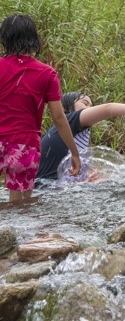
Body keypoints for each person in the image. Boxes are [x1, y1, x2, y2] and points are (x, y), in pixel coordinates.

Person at [0, 14, 80, 201]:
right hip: (25, 145)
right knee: (21, 206)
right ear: (33, 39)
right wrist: (74, 152)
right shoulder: (46, 73)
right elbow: (59, 119)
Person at [36, 92, 125, 182]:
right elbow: (108, 109)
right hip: (44, 188)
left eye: (92, 107)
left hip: (52, 189)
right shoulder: (68, 121)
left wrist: (87, 179)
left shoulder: (81, 136)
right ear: (64, 108)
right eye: (85, 103)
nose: (90, 109)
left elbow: (70, 177)